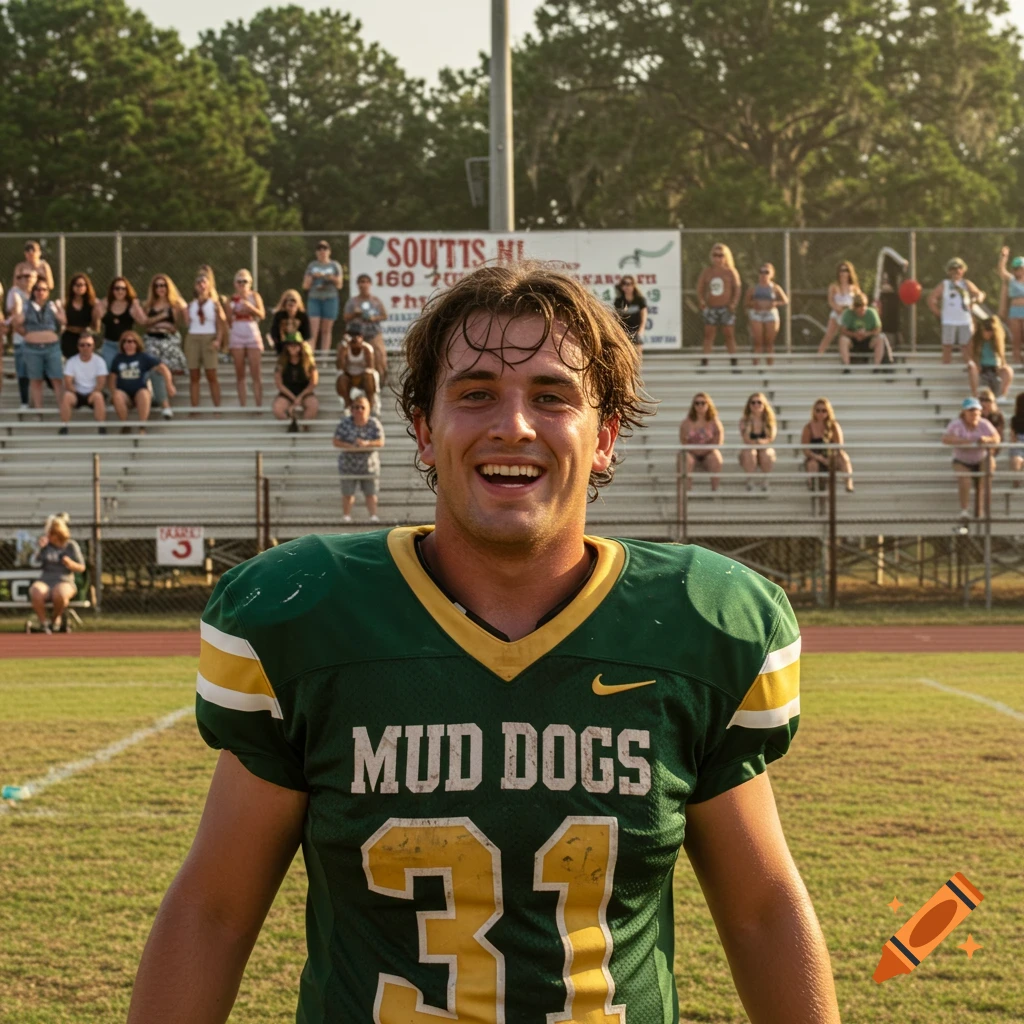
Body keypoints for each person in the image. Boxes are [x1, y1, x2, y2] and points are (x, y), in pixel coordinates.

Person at [127, 261, 841, 1024]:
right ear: (426, 432)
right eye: (475, 394)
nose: (513, 425)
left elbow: (762, 910)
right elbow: (215, 910)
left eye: (551, 396)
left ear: (604, 437)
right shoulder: (310, 620)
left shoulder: (694, 628)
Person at [942, 396, 1000, 518]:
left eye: (976, 411)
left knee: (985, 475)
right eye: (970, 411)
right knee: (965, 480)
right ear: (964, 412)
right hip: (962, 460)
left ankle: (980, 510)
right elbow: (945, 438)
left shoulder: (984, 424)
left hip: (980, 458)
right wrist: (962, 441)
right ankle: (964, 510)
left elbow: (996, 438)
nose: (974, 414)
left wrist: (987, 439)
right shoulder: (956, 424)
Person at [14, 278, 66, 410]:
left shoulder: (52, 305)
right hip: (32, 349)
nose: (40, 292)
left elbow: (63, 321)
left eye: (44, 289)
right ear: (33, 291)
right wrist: (18, 306)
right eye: (37, 289)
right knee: (36, 380)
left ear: (48, 292)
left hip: (52, 348)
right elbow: (18, 323)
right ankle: (39, 412)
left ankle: (63, 410)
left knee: (57, 379)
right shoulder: (26, 306)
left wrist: (59, 309)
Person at [141, 274, 188, 419]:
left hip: (169, 338)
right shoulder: (149, 305)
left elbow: (184, 322)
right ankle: (162, 399)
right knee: (154, 364)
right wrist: (161, 316)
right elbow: (146, 322)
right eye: (157, 286)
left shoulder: (176, 303)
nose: (160, 288)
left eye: (163, 285)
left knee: (169, 361)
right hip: (152, 338)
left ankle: (164, 395)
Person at [109, 331, 176, 435]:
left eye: (131, 341)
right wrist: (112, 392)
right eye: (125, 342)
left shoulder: (143, 357)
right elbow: (112, 378)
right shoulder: (118, 358)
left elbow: (163, 368)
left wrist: (169, 384)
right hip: (124, 393)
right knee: (117, 395)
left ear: (137, 343)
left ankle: (142, 426)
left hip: (140, 391)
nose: (128, 344)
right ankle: (125, 425)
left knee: (144, 393)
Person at [29, 514, 84, 634]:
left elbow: (81, 567)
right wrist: (39, 549)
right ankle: (44, 624)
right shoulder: (45, 546)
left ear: (59, 533)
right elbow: (33, 563)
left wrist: (70, 563)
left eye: (52, 534)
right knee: (36, 591)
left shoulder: (71, 546)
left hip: (65, 580)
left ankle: (55, 620)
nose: (49, 537)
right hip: (46, 580)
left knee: (60, 594)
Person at [332, 394, 384, 522]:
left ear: (368, 409)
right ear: (351, 409)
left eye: (362, 407)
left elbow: (380, 441)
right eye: (356, 407)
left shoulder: (374, 423)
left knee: (370, 493)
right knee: (347, 493)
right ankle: (346, 517)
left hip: (369, 466)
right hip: (348, 465)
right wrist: (350, 446)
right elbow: (336, 441)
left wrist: (366, 444)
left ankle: (373, 516)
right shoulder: (345, 423)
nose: (359, 410)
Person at [927, 258, 985, 364]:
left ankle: (968, 367)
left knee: (967, 344)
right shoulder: (945, 284)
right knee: (947, 345)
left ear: (963, 270)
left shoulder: (966, 284)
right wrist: (939, 313)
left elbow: (979, 294)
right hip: (949, 321)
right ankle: (946, 366)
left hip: (965, 320)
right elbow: (931, 299)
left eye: (959, 268)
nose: (956, 271)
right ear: (949, 271)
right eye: (953, 268)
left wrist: (976, 300)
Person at [695, 242, 741, 366]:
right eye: (715, 255)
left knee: (729, 335)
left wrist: (733, 303)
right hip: (711, 308)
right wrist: (702, 302)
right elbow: (699, 288)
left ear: (726, 256)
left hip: (726, 308)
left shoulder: (731, 271)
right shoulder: (707, 271)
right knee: (708, 335)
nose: (718, 258)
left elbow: (737, 288)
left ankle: (734, 361)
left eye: (721, 255)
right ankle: (704, 362)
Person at [225, 269, 265, 407]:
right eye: (239, 281)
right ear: (235, 284)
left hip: (252, 330)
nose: (242, 284)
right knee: (240, 372)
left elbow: (262, 314)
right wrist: (233, 309)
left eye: (245, 281)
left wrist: (250, 307)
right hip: (237, 331)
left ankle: (258, 405)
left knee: (256, 372)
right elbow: (228, 320)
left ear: (250, 283)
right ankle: (243, 405)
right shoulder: (231, 299)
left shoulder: (255, 296)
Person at [186, 272, 225, 409]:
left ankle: (217, 407)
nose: (201, 285)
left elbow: (221, 325)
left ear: (209, 286)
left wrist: (218, 340)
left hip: (209, 337)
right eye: (198, 283)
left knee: (211, 375)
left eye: (204, 282)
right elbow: (187, 323)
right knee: (194, 375)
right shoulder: (191, 305)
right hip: (193, 337)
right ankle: (195, 407)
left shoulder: (214, 304)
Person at [801, 398, 854, 493]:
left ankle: (848, 483)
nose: (821, 413)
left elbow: (839, 446)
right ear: (814, 411)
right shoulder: (808, 427)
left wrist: (830, 458)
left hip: (831, 456)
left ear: (828, 412)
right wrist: (819, 458)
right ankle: (812, 485)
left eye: (824, 411)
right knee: (812, 464)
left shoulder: (833, 426)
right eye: (818, 410)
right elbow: (806, 449)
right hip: (815, 456)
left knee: (843, 457)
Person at [58, 332, 107, 435]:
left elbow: (101, 382)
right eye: (82, 345)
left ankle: (101, 427)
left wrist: (94, 392)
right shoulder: (72, 361)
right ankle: (64, 426)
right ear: (78, 347)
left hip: (93, 393)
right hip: (76, 393)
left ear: (93, 346)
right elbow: (68, 381)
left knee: (98, 396)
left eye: (88, 345)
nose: (85, 347)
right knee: (67, 396)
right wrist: (76, 392)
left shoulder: (99, 361)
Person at [343, 272, 388, 381]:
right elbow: (345, 317)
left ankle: (381, 381)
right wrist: (355, 314)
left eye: (366, 282)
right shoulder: (352, 301)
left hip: (373, 334)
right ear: (358, 285)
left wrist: (374, 318)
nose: (364, 284)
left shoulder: (376, 301)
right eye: (361, 282)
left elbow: (384, 315)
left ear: (370, 284)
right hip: (357, 335)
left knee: (379, 357)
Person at [95, 277, 146, 371]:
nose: (120, 291)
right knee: (109, 367)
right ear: (112, 290)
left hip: (127, 345)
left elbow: (143, 321)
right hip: (109, 344)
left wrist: (136, 306)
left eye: (123, 288)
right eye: (117, 288)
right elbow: (97, 318)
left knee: (127, 370)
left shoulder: (131, 305)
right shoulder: (107, 304)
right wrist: (100, 304)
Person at [744, 262, 788, 366]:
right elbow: (746, 302)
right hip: (757, 314)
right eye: (761, 272)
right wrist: (753, 304)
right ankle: (756, 365)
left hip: (770, 314)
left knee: (769, 343)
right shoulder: (753, 288)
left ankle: (770, 366)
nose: (764, 275)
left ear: (772, 274)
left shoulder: (775, 288)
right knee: (758, 342)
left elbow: (785, 300)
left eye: (766, 272)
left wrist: (775, 303)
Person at [303, 240, 344, 352]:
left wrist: (328, 277)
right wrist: (313, 277)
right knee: (313, 330)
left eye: (325, 248)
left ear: (329, 251)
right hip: (314, 298)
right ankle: (311, 357)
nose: (322, 251)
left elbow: (340, 284)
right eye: (319, 248)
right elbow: (305, 286)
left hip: (330, 298)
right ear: (316, 252)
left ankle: (324, 358)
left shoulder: (335, 265)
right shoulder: (312, 266)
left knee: (326, 330)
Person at [678, 391, 724, 490]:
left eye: (703, 403)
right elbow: (683, 441)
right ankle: (688, 490)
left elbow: (718, 440)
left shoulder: (714, 422)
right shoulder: (686, 422)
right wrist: (696, 450)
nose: (700, 405)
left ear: (708, 404)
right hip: (692, 452)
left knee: (716, 458)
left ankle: (715, 489)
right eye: (697, 403)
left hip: (708, 452)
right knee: (686, 459)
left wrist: (705, 450)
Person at [273, 338, 319, 431]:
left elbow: (313, 383)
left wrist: (300, 397)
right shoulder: (281, 363)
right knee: (277, 408)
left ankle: (305, 427)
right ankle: (291, 423)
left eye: (296, 345)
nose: (293, 348)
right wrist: (294, 399)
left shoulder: (308, 362)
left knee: (313, 405)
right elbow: (279, 384)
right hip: (287, 391)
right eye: (290, 345)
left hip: (305, 391)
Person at [816, 261, 860, 355]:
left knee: (847, 335)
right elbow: (830, 300)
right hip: (837, 312)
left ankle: (848, 354)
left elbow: (859, 300)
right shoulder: (834, 286)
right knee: (829, 334)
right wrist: (837, 308)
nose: (844, 273)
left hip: (849, 314)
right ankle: (820, 353)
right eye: (841, 270)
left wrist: (852, 308)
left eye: (846, 270)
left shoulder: (854, 287)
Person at [7, 266, 36, 408]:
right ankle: (24, 402)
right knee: (22, 372)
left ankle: (38, 403)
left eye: (28, 276)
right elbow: (15, 315)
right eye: (21, 277)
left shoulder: (40, 293)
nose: (25, 279)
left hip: (38, 340)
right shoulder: (14, 293)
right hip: (21, 340)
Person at [966, 316, 1014, 398]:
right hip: (981, 369)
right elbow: (969, 355)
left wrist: (1002, 366)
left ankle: (1001, 395)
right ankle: (975, 395)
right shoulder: (975, 340)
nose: (988, 333)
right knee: (972, 367)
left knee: (1008, 370)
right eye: (986, 330)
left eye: (990, 331)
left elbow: (1002, 357)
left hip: (994, 368)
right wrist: (976, 364)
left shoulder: (997, 341)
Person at [739, 391, 777, 489]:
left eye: (759, 402)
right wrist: (750, 423)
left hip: (764, 447)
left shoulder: (769, 420)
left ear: (764, 405)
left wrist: (760, 443)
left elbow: (770, 438)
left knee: (766, 453)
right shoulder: (744, 420)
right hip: (750, 447)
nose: (756, 405)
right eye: (753, 402)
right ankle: (750, 480)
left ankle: (765, 480)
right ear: (749, 405)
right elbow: (746, 439)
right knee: (750, 453)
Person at [335, 323, 377, 409]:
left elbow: (370, 368)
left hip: (363, 377)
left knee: (369, 376)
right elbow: (340, 367)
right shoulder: (344, 348)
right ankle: (347, 405)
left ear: (361, 338)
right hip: (349, 377)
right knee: (342, 378)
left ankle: (371, 404)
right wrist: (344, 351)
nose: (354, 339)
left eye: (357, 336)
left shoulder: (367, 349)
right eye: (352, 336)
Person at [838, 293, 885, 367]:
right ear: (854, 308)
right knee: (843, 339)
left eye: (863, 308)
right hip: (853, 342)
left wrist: (867, 334)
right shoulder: (848, 313)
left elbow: (878, 329)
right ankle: (846, 366)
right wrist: (854, 334)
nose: (862, 311)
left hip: (868, 341)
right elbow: (843, 330)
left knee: (881, 338)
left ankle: (877, 366)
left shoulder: (871, 312)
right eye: (859, 309)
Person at [996, 246, 1024, 367]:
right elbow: (1001, 270)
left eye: (1022, 268)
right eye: (1017, 268)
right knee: (1016, 339)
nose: (1020, 270)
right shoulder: (1011, 279)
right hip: (1015, 311)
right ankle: (1017, 362)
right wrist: (1004, 257)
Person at [61, 273, 97, 360]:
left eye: (83, 285)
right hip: (69, 337)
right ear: (72, 287)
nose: (80, 287)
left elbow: (96, 327)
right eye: (77, 285)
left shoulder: (91, 304)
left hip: (85, 337)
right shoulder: (66, 303)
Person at [613, 274, 648, 353]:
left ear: (633, 285)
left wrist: (641, 330)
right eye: (624, 284)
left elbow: (644, 315)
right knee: (624, 353)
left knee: (637, 353)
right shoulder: (619, 300)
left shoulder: (640, 300)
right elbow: (617, 316)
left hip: (636, 329)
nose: (626, 286)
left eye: (628, 284)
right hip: (623, 330)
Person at [1008, 391, 1024, 484]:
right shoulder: (1015, 419)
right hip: (1019, 442)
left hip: (1019, 441)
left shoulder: (1014, 418)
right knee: (1016, 459)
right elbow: (1013, 435)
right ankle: (1016, 481)